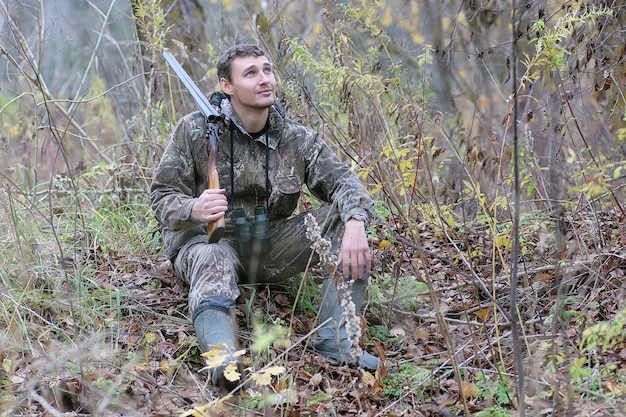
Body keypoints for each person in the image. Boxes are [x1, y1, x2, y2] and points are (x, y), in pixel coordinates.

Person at [150, 43, 381, 389]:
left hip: (268, 247)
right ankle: (223, 360)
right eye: (251, 73)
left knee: (344, 218)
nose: (264, 80)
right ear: (227, 86)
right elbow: (160, 196)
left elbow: (346, 184)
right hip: (208, 246)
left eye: (267, 70)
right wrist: (193, 208)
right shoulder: (194, 130)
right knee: (213, 255)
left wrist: (354, 223)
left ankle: (335, 342)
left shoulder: (297, 138)